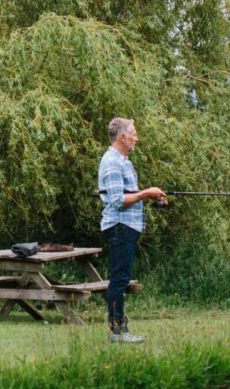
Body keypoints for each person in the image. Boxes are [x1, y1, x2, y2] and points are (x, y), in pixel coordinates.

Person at [97, 117, 164, 343]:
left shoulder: (124, 161)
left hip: (128, 227)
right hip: (119, 227)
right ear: (122, 137)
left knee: (122, 278)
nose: (137, 137)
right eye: (133, 133)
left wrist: (152, 198)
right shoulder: (112, 162)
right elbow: (117, 200)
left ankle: (119, 330)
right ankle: (117, 332)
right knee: (119, 279)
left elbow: (128, 194)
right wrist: (146, 193)